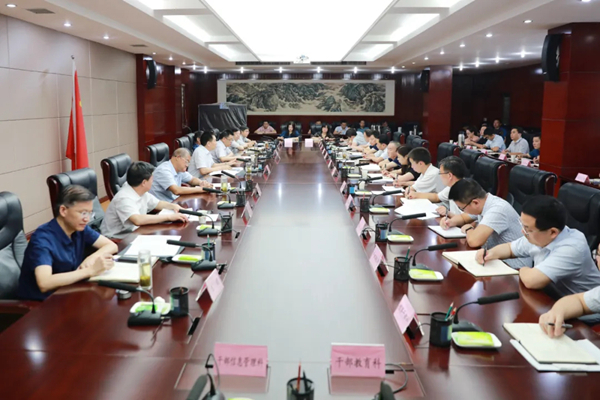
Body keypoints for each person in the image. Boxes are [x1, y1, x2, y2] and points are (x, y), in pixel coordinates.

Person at [476, 195, 600, 296]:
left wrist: (522, 269)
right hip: (550, 297)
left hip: (583, 312)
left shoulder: (572, 248)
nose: (523, 232)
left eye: (527, 229)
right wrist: (489, 253)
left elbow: (532, 281)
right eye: (523, 225)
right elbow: (509, 249)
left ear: (552, 232)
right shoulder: (540, 234)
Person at [17, 185, 118, 301]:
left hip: (69, 292)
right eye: (82, 213)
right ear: (63, 210)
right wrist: (90, 271)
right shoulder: (42, 238)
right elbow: (44, 282)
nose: (87, 219)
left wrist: (92, 258)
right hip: (41, 304)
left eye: (90, 213)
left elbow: (111, 245)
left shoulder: (79, 228)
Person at [445, 179, 529, 269]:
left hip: (513, 265)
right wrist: (449, 222)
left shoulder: (497, 209)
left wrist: (469, 229)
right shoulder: (483, 202)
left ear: (475, 202)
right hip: (494, 258)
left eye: (462, 208)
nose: (463, 211)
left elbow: (474, 241)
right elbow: (463, 218)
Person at [101, 162, 187, 238]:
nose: (153, 181)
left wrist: (174, 206)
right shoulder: (123, 198)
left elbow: (158, 203)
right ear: (144, 183)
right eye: (152, 179)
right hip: (116, 238)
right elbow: (137, 220)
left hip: (134, 232)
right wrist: (169, 217)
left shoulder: (139, 189)